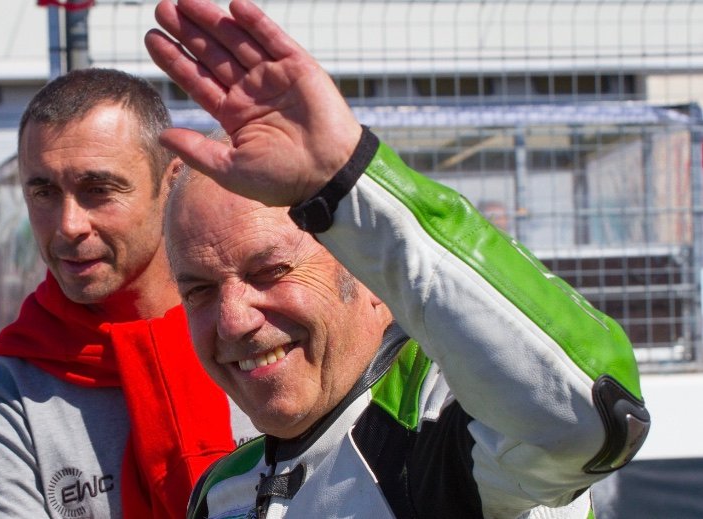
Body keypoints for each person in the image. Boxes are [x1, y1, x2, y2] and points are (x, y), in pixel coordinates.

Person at [144, 1, 650, 517]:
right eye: (199, 290)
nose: (232, 320)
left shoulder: (449, 424)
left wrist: (346, 178)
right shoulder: (222, 489)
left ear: (370, 278)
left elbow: (591, 417)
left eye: (270, 271)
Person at [0, 68, 255, 519]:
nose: (69, 226)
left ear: (171, 183)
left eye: (98, 190)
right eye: (43, 192)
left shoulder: (252, 325)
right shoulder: (12, 384)